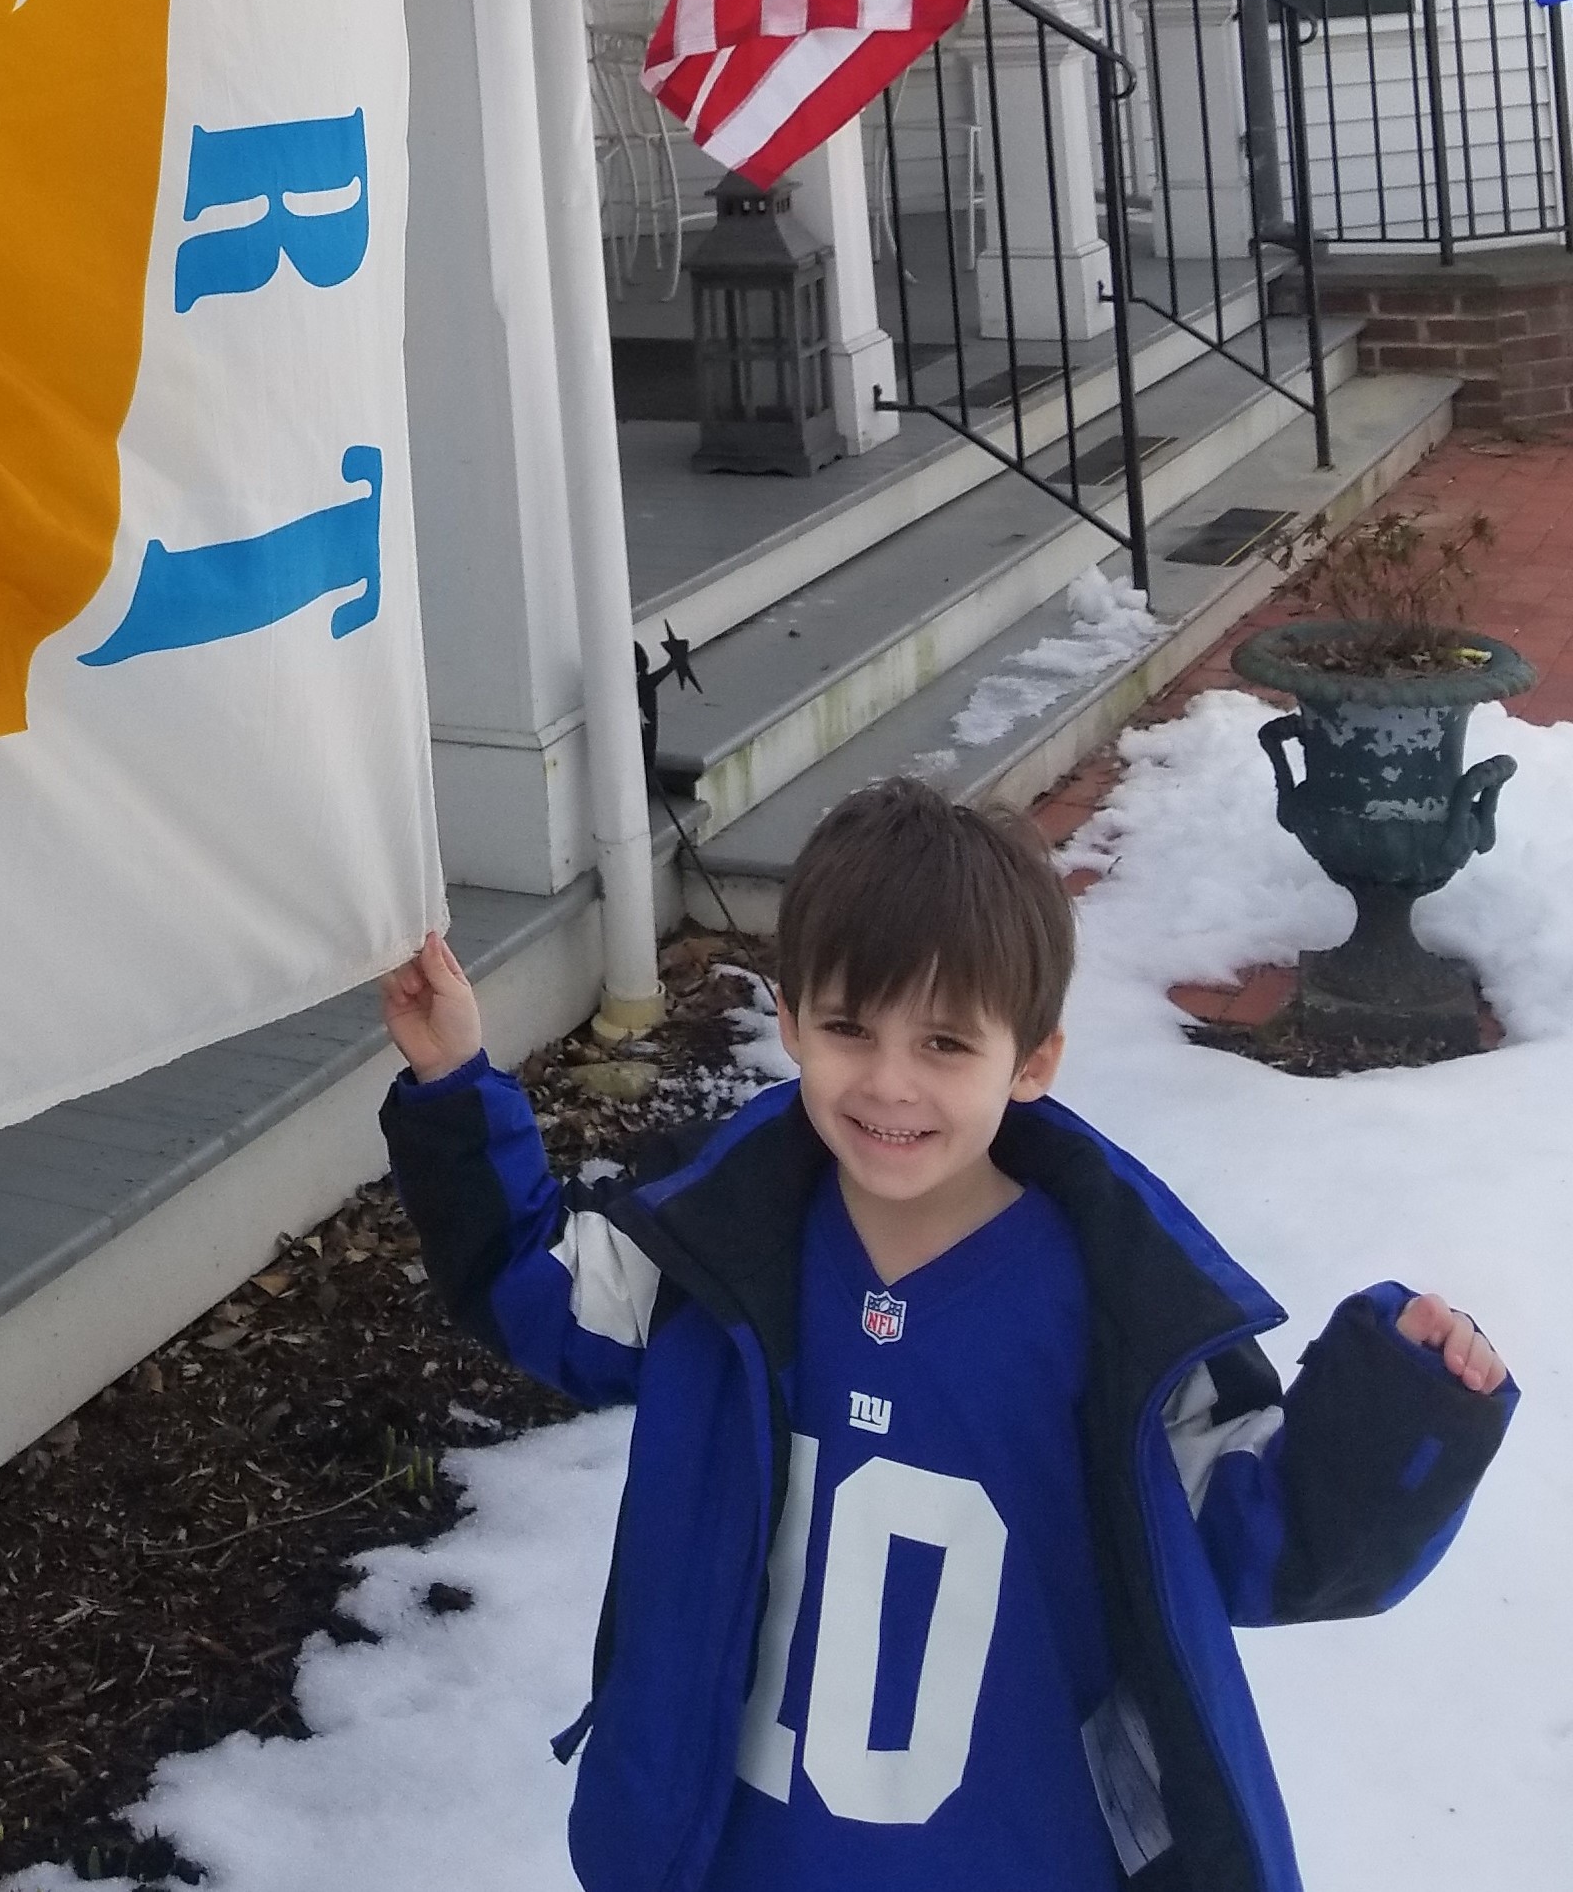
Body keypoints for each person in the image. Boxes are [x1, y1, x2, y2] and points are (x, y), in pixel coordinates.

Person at [379, 777, 1513, 1892]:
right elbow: (539, 1286)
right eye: (846, 1028)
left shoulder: (1110, 1309)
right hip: (745, 1851)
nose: (888, 1083)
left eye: (944, 1043)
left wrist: (1403, 1415)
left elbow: (1264, 1540)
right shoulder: (724, 1245)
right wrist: (451, 1078)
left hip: (1017, 1851)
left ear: (1032, 1060)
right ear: (789, 1020)